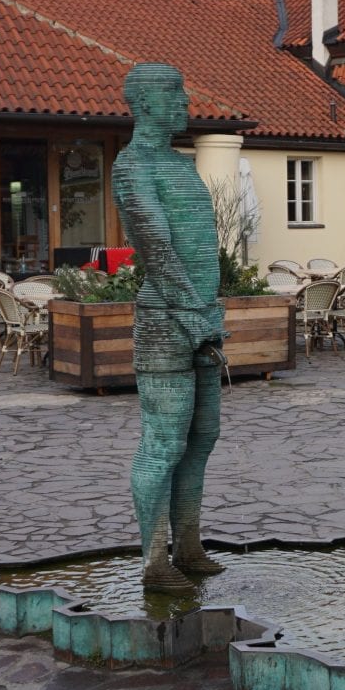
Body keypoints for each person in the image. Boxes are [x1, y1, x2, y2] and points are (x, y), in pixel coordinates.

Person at [113, 63, 228, 592]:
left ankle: (188, 542)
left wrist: (207, 313)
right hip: (166, 319)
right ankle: (154, 559)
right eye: (173, 93)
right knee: (163, 440)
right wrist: (192, 312)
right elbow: (156, 245)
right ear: (143, 102)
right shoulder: (131, 165)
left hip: (201, 316)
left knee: (202, 436)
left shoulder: (180, 163)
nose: (185, 102)